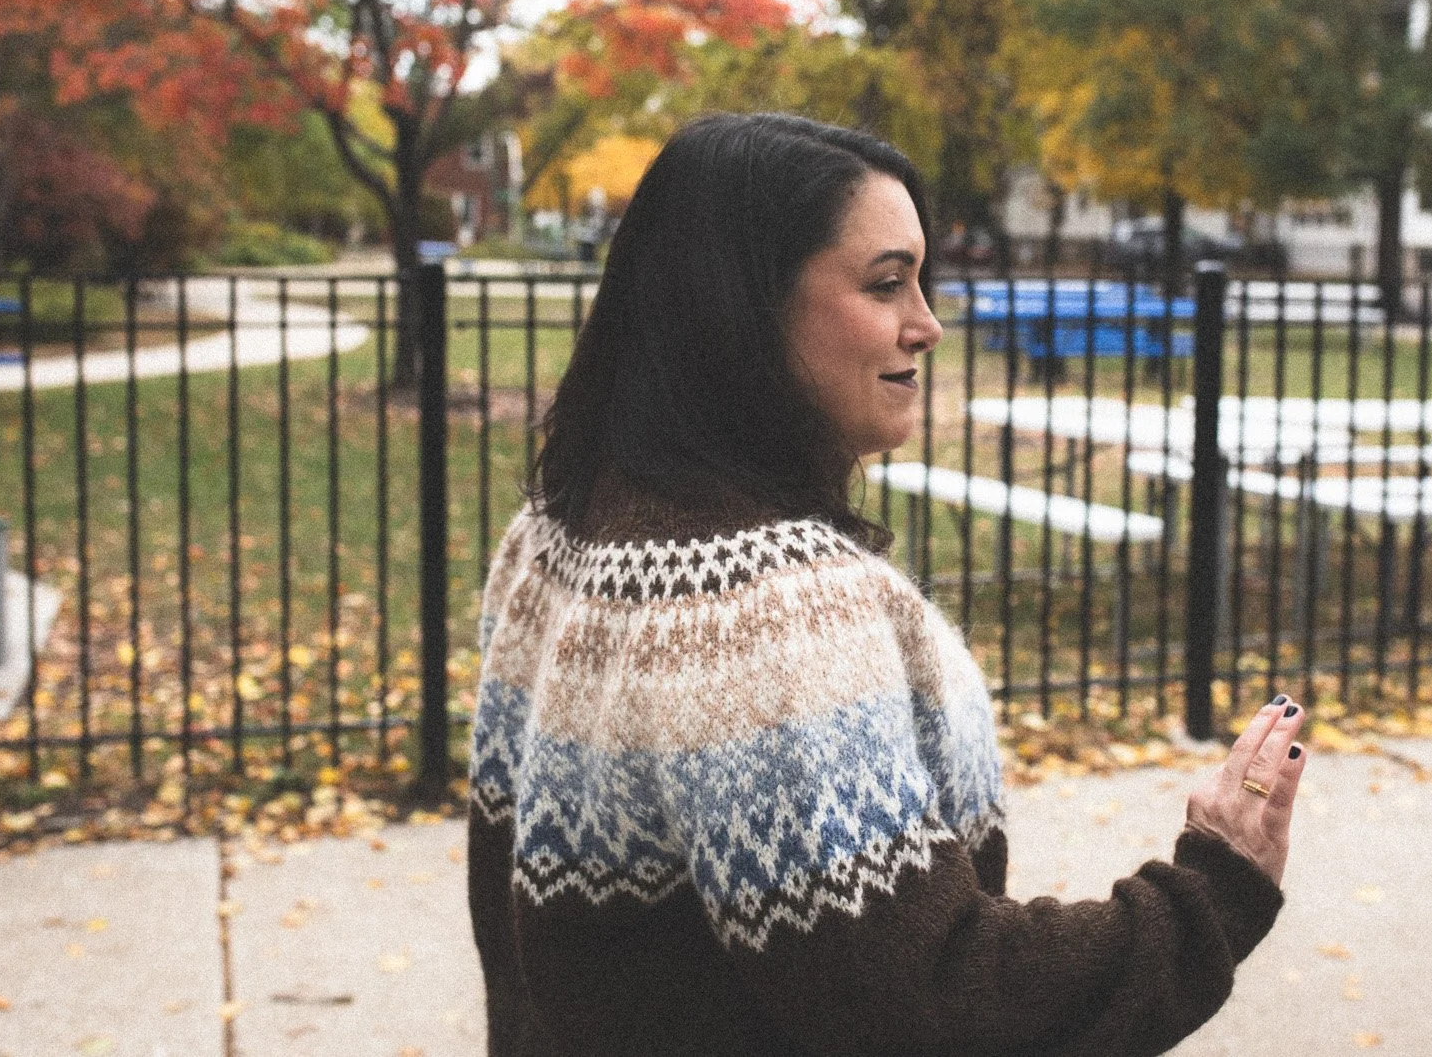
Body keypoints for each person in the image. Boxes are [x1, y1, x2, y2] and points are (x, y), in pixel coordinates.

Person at [467, 113, 1304, 1056]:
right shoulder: (767, 611)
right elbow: (934, 1005)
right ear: (739, 305)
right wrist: (1210, 894)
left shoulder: (555, 535)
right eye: (884, 282)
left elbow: (524, 935)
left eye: (921, 278)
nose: (929, 322)